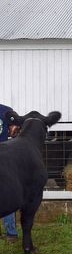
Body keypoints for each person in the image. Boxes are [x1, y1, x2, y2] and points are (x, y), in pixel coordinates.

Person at [0, 104, 20, 243]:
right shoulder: (6, 110)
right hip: (3, 154)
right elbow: (15, 129)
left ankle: (11, 232)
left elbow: (14, 128)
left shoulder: (6, 110)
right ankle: (11, 233)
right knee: (6, 193)